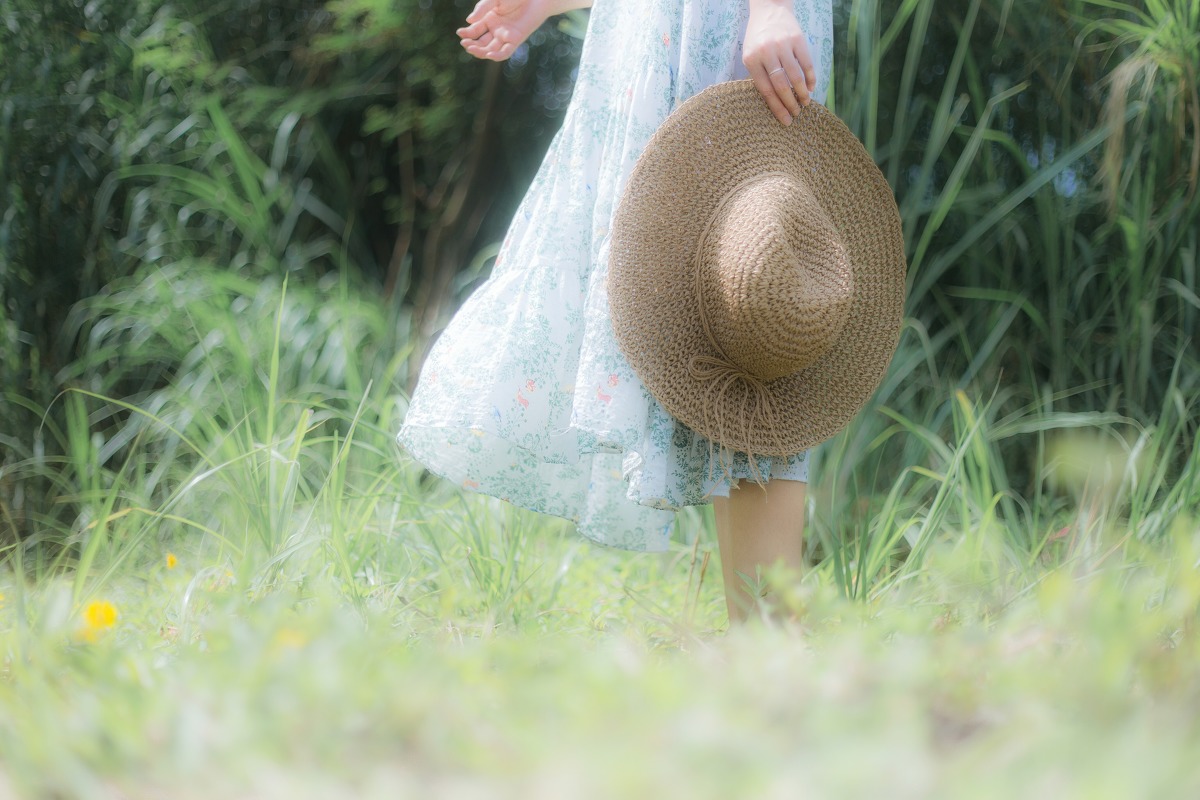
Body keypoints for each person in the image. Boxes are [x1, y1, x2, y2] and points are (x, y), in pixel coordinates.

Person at [399, 0, 837, 623]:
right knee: (710, 322)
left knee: (756, 308)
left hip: (733, 27)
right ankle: (760, 650)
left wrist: (771, 7)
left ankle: (773, 642)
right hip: (655, 37)